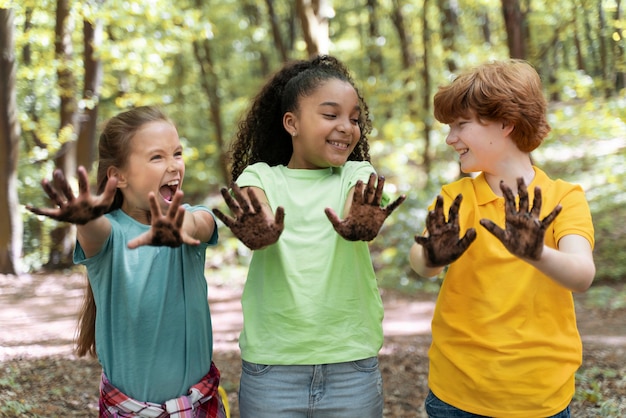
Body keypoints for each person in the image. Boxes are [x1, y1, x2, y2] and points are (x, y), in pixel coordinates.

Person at [212, 55, 405, 417]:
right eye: (331, 115)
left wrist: (359, 220)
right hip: (273, 368)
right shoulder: (263, 177)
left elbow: (358, 199)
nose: (346, 127)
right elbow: (257, 205)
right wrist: (262, 231)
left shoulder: (356, 173)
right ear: (292, 122)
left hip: (352, 367)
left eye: (354, 118)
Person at [409, 59, 596, 417]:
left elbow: (581, 274)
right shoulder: (455, 197)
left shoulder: (563, 198)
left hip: (540, 396)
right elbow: (420, 265)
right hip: (457, 393)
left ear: (507, 123)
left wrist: (535, 253)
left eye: (461, 125)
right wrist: (432, 255)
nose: (451, 139)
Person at [27, 106, 226, 418]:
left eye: (177, 153)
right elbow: (95, 232)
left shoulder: (189, 216)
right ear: (118, 176)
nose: (174, 166)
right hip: (129, 411)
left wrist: (181, 227)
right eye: (157, 157)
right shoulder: (112, 234)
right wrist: (85, 220)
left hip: (200, 406)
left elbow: (203, 223)